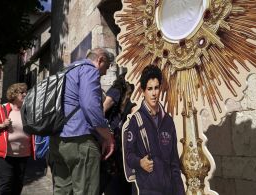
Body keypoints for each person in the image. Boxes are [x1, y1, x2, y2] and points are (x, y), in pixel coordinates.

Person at [48, 47, 115, 195]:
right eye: (107, 66)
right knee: (86, 190)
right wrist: (107, 136)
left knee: (62, 190)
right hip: (79, 141)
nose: (105, 72)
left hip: (58, 141)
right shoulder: (89, 70)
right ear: (100, 59)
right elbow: (90, 106)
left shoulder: (67, 71)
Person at [124, 65, 185, 195]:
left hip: (169, 190)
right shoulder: (136, 121)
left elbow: (174, 162)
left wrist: (180, 192)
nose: (153, 93)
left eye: (156, 88)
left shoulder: (168, 121)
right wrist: (140, 162)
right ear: (143, 91)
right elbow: (128, 156)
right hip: (148, 190)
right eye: (149, 89)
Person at [0, 83, 34, 195]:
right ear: (14, 94)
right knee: (6, 184)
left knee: (18, 185)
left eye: (25, 92)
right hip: (5, 155)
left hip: (23, 154)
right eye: (22, 92)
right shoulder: (2, 108)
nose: (25, 94)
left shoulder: (28, 110)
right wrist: (2, 125)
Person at [100, 73, 135, 195]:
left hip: (120, 139)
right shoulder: (117, 90)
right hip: (115, 138)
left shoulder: (124, 91)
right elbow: (103, 109)